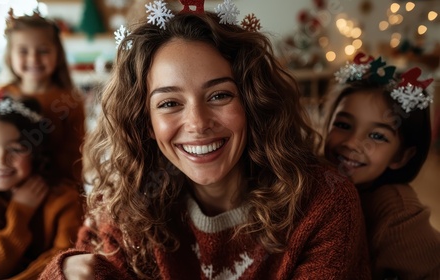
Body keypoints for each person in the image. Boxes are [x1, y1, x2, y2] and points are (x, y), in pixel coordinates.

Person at [40, 7, 371, 280]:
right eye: (169, 103)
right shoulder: (128, 201)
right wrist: (64, 272)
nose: (198, 123)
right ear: (147, 123)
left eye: (219, 95)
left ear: (253, 103)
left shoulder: (323, 202)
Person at [322, 52, 440, 279]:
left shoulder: (397, 211)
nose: (352, 143)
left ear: (401, 157)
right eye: (343, 125)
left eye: (377, 135)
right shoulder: (323, 177)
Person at [0, 96, 84, 280]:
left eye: (16, 149)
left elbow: (65, 260)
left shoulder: (63, 197)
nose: (1, 161)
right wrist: (21, 211)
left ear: (35, 153)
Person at [0, 8, 85, 186]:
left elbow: (75, 153)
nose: (34, 58)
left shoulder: (70, 100)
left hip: (51, 185)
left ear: (58, 55)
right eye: (23, 51)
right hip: (7, 179)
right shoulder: (2, 93)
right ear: (10, 56)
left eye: (43, 51)